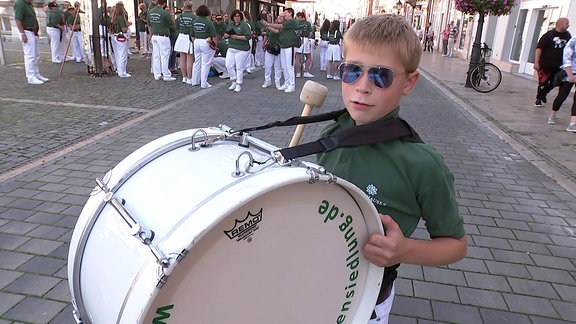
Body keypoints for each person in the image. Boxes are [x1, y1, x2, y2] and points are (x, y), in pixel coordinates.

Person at [316, 14, 466, 323]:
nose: (362, 87)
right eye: (352, 71)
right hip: (309, 285)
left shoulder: (422, 163)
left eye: (380, 76)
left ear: (409, 82)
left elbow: (456, 245)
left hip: (364, 302)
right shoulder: (329, 136)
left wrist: (405, 250)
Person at [534, 18, 571, 107]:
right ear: (560, 24)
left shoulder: (568, 35)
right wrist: (536, 62)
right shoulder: (549, 35)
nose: (568, 25)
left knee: (555, 82)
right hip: (546, 64)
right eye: (567, 23)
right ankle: (539, 98)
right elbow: (539, 48)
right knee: (543, 82)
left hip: (560, 65)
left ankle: (545, 92)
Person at [260, 8, 299, 93]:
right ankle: (287, 82)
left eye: (286, 13)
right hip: (284, 46)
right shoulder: (285, 22)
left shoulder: (292, 21)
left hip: (290, 46)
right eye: (284, 12)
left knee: (289, 66)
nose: (284, 14)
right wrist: (269, 25)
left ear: (291, 13)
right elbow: (276, 30)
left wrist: (267, 24)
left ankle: (292, 85)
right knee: (284, 66)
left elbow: (279, 26)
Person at [14, 0, 48, 84]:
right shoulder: (20, 3)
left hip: (32, 31)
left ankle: (36, 74)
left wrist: (36, 31)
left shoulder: (28, 4)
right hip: (26, 31)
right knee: (30, 55)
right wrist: (22, 33)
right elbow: (18, 19)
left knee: (36, 55)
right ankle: (31, 76)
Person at [547, 36, 576, 132]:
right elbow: (566, 58)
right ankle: (553, 115)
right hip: (569, 72)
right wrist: (570, 74)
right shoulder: (573, 41)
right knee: (562, 95)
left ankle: (573, 123)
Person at [147, 0, 176, 81]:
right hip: (163, 36)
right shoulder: (164, 13)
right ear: (164, 3)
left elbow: (149, 24)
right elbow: (171, 24)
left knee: (156, 56)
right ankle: (166, 74)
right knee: (165, 56)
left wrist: (151, 34)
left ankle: (157, 74)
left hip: (154, 35)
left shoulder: (151, 11)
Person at [224, 9, 251, 93]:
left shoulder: (244, 25)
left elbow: (248, 37)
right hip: (231, 47)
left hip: (242, 48)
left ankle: (239, 84)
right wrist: (227, 35)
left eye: (238, 16)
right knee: (228, 64)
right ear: (233, 17)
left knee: (239, 67)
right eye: (235, 16)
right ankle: (233, 80)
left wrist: (237, 37)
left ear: (241, 17)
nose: (237, 18)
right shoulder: (231, 24)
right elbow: (225, 34)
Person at [190, 4, 217, 88]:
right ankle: (204, 82)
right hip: (206, 41)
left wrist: (195, 41)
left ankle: (194, 81)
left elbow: (192, 34)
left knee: (197, 62)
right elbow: (214, 36)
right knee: (206, 63)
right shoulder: (209, 22)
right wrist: (215, 45)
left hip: (196, 41)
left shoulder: (194, 21)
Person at [173, 1, 196, 84]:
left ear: (184, 7)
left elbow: (177, 27)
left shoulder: (180, 16)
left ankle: (184, 77)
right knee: (190, 58)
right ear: (191, 7)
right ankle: (190, 78)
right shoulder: (194, 17)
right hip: (189, 37)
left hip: (181, 36)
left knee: (182, 58)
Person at [262, 14, 283, 89]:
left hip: (278, 48)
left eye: (281, 17)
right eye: (279, 17)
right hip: (270, 47)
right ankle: (267, 80)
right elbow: (267, 35)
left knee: (278, 66)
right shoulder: (272, 25)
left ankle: (277, 82)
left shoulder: (282, 26)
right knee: (268, 65)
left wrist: (267, 25)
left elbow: (276, 31)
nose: (279, 18)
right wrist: (263, 43)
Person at [109, 2, 130, 77]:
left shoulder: (113, 17)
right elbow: (124, 29)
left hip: (114, 36)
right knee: (122, 55)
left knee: (117, 54)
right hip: (121, 36)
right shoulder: (121, 17)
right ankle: (122, 71)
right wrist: (127, 27)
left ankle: (119, 69)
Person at [294, 11, 314, 78]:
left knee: (297, 57)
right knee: (308, 56)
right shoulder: (307, 23)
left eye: (296, 17)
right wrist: (308, 38)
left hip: (298, 39)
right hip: (305, 39)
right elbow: (311, 33)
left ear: (300, 17)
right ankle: (306, 71)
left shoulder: (296, 23)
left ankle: (298, 73)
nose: (296, 18)